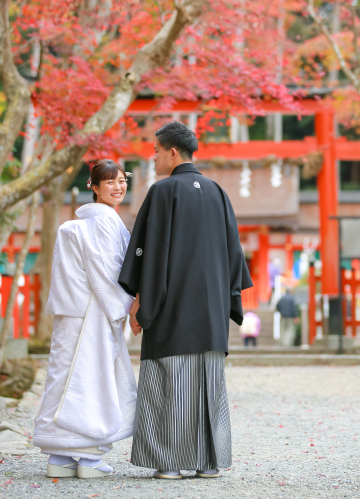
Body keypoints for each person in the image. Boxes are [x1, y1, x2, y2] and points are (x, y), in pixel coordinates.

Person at [119, 121, 253, 480]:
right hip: (210, 315)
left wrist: (140, 300)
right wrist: (228, 299)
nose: (154, 157)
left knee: (171, 381)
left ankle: (170, 462)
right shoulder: (217, 192)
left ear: (172, 152)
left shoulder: (162, 192)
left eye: (156, 151)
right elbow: (233, 253)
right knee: (209, 385)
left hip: (173, 308)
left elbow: (151, 253)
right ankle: (208, 462)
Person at [33, 160, 136, 479]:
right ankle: (89, 457)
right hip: (95, 312)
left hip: (72, 314)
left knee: (65, 374)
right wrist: (128, 306)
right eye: (109, 182)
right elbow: (107, 273)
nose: (118, 187)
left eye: (121, 181)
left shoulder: (78, 224)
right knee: (92, 376)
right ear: (93, 187)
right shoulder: (104, 222)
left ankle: (61, 457)